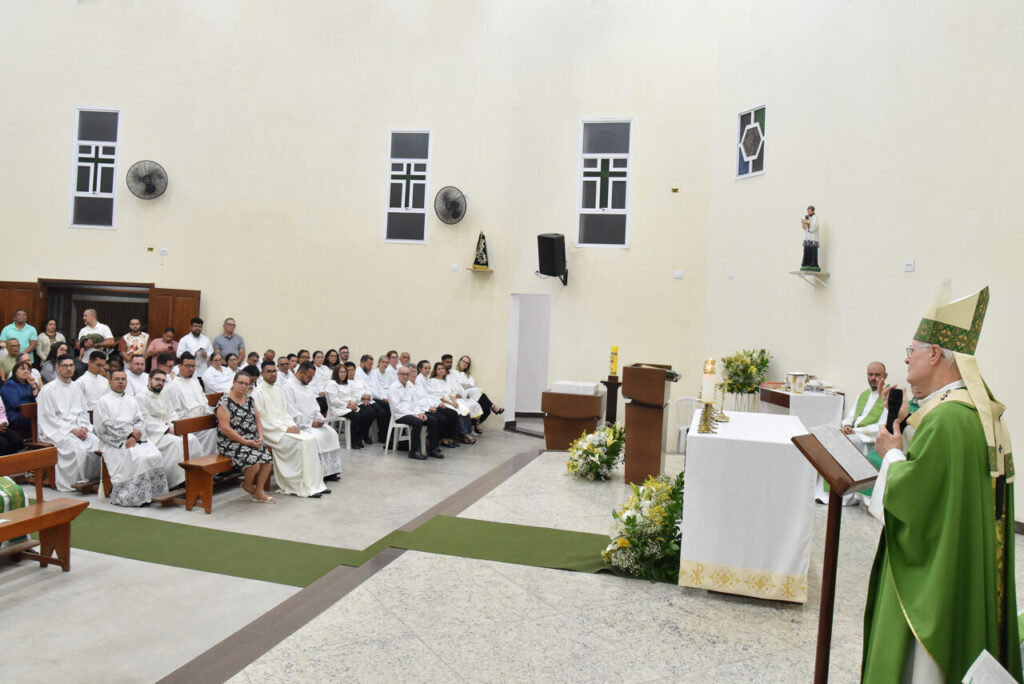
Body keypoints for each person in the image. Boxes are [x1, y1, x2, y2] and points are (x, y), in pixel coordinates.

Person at [863, 284, 1021, 681]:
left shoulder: (948, 418)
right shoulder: (979, 413)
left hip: (937, 578)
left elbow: (914, 499)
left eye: (910, 352)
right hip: (965, 564)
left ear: (935, 354)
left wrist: (891, 454)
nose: (905, 360)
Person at [251, 361, 328, 498]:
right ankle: (298, 486)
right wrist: (284, 430)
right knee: (302, 443)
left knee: (310, 439)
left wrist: (291, 425)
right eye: (268, 371)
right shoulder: (257, 393)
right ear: (262, 374)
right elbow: (262, 420)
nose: (272, 374)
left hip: (283, 428)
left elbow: (285, 413)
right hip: (272, 433)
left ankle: (315, 485)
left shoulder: (277, 390)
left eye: (274, 371)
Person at [94, 370, 170, 507]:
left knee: (155, 454)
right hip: (115, 442)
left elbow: (140, 420)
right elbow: (103, 427)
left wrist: (135, 435)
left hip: (135, 438)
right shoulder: (103, 402)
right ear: (110, 381)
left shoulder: (131, 400)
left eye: (123, 379)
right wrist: (129, 435)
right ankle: (133, 496)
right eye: (117, 379)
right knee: (139, 458)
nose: (121, 382)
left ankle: (152, 493)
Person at [36, 354, 101, 490]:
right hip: (57, 430)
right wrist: (72, 430)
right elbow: (48, 418)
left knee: (96, 443)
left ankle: (94, 478)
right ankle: (75, 481)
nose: (69, 369)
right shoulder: (48, 390)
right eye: (65, 366)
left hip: (78, 429)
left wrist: (84, 426)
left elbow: (83, 411)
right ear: (57, 368)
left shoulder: (76, 387)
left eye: (71, 365)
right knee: (77, 449)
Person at [215, 372, 275, 503]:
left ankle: (259, 492)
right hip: (230, 443)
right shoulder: (224, 402)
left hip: (250, 440)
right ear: (234, 383)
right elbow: (225, 428)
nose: (243, 386)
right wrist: (245, 442)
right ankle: (247, 485)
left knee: (267, 459)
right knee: (254, 462)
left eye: (247, 384)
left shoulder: (249, 399)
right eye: (241, 383)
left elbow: (258, 421)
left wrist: (260, 437)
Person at [282, 361, 343, 480]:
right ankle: (320, 473)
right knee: (318, 438)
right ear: (300, 372)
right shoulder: (288, 387)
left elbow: (315, 405)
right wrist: (309, 423)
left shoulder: (307, 385)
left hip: (313, 423)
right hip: (300, 425)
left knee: (331, 434)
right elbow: (292, 411)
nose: (311, 380)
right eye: (309, 376)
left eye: (312, 377)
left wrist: (319, 418)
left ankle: (330, 471)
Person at [135, 369, 194, 490]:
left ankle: (196, 476)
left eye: (163, 381)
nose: (160, 383)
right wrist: (167, 429)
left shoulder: (163, 395)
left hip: (169, 430)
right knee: (177, 443)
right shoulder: (140, 397)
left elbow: (172, 413)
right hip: (154, 435)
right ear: (149, 380)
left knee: (191, 439)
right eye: (157, 380)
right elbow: (145, 420)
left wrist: (176, 427)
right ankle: (178, 480)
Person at [163, 352, 217, 456]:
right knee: (213, 431)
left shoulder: (195, 382)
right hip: (189, 425)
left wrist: (209, 415)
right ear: (179, 366)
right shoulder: (173, 386)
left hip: (203, 422)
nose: (191, 369)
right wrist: (197, 422)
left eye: (193, 366)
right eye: (188, 366)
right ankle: (205, 463)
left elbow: (205, 403)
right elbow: (177, 413)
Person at [388, 365, 441, 460]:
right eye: (402, 374)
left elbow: (415, 402)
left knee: (433, 420)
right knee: (418, 422)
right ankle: (413, 451)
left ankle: (432, 449)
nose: (405, 376)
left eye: (407, 374)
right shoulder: (393, 387)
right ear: (398, 375)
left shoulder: (409, 386)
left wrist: (419, 413)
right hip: (400, 415)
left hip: (413, 413)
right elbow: (397, 407)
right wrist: (413, 415)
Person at [323, 364, 373, 449]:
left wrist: (354, 403)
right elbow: (334, 401)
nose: (343, 374)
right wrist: (347, 405)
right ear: (336, 373)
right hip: (338, 408)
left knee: (366, 414)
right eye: (341, 372)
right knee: (356, 416)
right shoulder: (332, 384)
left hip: (350, 406)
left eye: (345, 372)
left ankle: (359, 437)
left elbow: (352, 396)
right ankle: (353, 441)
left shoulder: (347, 383)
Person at [452, 355, 503, 433]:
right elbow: (454, 385)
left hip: (470, 394)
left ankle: (476, 424)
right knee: (479, 392)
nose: (464, 364)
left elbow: (472, 386)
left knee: (486, 409)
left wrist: (465, 385)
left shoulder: (469, 376)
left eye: (467, 363)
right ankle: (492, 407)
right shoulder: (453, 373)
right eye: (463, 361)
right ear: (460, 361)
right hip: (459, 395)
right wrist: (463, 386)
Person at [414, 360, 459, 449]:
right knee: (444, 417)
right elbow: (423, 396)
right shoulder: (419, 380)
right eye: (425, 368)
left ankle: (449, 437)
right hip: (427, 406)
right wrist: (432, 406)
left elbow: (432, 394)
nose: (428, 370)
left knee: (453, 413)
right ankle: (441, 439)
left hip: (433, 404)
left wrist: (438, 403)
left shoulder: (426, 379)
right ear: (420, 369)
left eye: (429, 368)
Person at [432, 362, 477, 444]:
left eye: (442, 368)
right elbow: (440, 396)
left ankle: (465, 433)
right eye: (439, 369)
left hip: (450, 401)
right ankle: (463, 435)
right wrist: (451, 404)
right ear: (435, 371)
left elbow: (451, 394)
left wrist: (455, 402)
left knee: (464, 409)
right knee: (456, 413)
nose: (441, 370)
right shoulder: (433, 381)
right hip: (443, 402)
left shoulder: (445, 381)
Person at [2, 360, 40, 434]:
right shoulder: (10, 385)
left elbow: (39, 401)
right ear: (15, 371)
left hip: (31, 413)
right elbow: (15, 404)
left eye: (28, 370)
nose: (26, 371)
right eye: (23, 369)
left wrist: (34, 387)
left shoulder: (31, 383)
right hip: (16, 416)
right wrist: (32, 404)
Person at [799, 205, 820, 272]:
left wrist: (808, 223)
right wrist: (804, 223)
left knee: (812, 251)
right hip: (807, 237)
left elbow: (814, 226)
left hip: (813, 238)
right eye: (808, 211)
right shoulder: (807, 217)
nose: (808, 212)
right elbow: (805, 227)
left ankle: (813, 263)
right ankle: (806, 263)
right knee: (806, 250)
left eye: (809, 211)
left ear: (813, 211)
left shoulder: (815, 217)